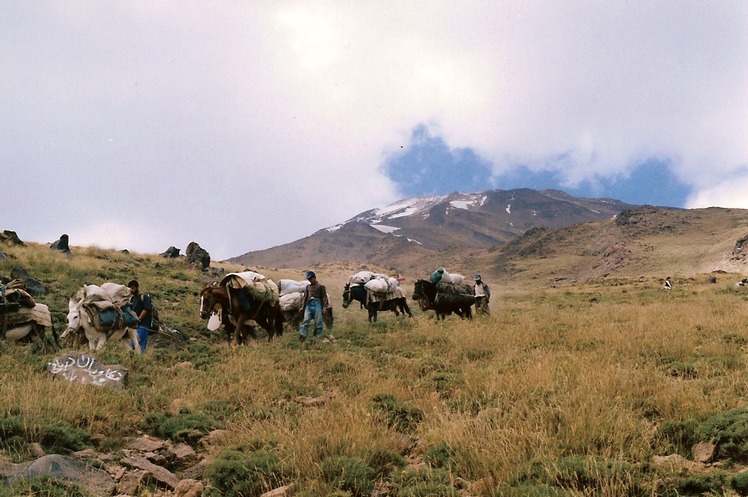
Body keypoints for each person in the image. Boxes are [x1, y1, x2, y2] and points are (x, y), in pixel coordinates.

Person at [299, 271, 329, 341]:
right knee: (305, 320)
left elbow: (324, 297)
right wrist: (302, 307)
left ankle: (318, 338)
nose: (310, 280)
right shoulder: (308, 287)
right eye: (309, 279)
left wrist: (324, 307)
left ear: (315, 278)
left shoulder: (321, 286)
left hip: (317, 304)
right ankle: (303, 335)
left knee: (318, 322)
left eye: (311, 278)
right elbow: (305, 297)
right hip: (309, 305)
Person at [128, 279, 152, 354]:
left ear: (137, 287)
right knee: (133, 345)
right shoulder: (131, 299)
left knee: (140, 344)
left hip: (143, 325)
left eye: (133, 288)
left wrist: (139, 318)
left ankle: (141, 361)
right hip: (134, 326)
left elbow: (146, 309)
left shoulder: (144, 297)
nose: (131, 290)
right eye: (130, 289)